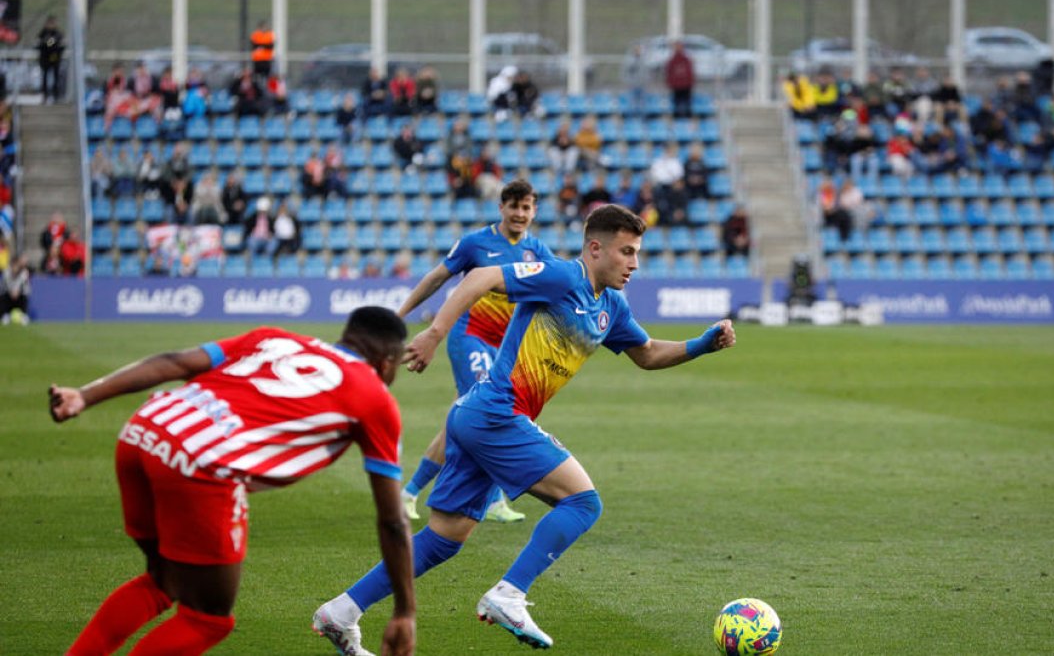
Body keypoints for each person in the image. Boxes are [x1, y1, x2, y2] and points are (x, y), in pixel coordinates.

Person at [314, 204, 736, 652]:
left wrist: (702, 345)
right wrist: (435, 333)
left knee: (443, 539)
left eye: (637, 253)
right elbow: (480, 278)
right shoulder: (561, 277)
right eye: (626, 252)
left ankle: (340, 612)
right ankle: (509, 594)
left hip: (479, 417)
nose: (634, 263)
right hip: (497, 413)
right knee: (583, 501)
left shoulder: (609, 305)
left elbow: (648, 353)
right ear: (595, 248)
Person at [48, 307, 416, 656]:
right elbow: (392, 520)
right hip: (201, 463)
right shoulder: (375, 398)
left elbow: (176, 362)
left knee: (164, 581)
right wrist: (404, 610)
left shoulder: (273, 338)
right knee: (207, 619)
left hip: (144, 430)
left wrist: (85, 395)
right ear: (386, 364)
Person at [312, 179, 556, 654]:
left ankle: (413, 491)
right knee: (483, 415)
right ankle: (491, 494)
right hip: (470, 338)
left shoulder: (537, 249)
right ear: (501, 207)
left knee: (464, 422)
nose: (521, 214)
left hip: (507, 349)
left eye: (528, 207)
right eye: (514, 206)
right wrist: (402, 318)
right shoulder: (475, 244)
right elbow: (438, 279)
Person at [36, 16, 66, 103]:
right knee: (44, 77)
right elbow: (40, 43)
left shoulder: (58, 33)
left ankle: (56, 95)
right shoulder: (43, 33)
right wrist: (48, 42)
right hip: (45, 58)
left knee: (56, 77)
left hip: (55, 57)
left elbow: (59, 43)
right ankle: (44, 95)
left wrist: (50, 42)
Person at [665, 41, 695, 119]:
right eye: (676, 47)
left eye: (679, 46)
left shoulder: (686, 60)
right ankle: (677, 121)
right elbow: (669, 73)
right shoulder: (672, 61)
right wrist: (671, 83)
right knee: (676, 105)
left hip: (686, 86)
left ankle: (688, 119)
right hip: (676, 86)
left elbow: (690, 72)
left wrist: (690, 82)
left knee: (687, 104)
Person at [0, 253, 30, 324]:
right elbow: (3, 287)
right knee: (2, 296)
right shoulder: (6, 273)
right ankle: (4, 315)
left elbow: (26, 289)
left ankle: (24, 315)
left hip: (19, 297)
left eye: (16, 265)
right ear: (11, 265)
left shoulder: (24, 273)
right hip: (8, 296)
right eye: (13, 265)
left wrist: (18, 291)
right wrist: (11, 292)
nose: (15, 268)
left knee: (25, 296)